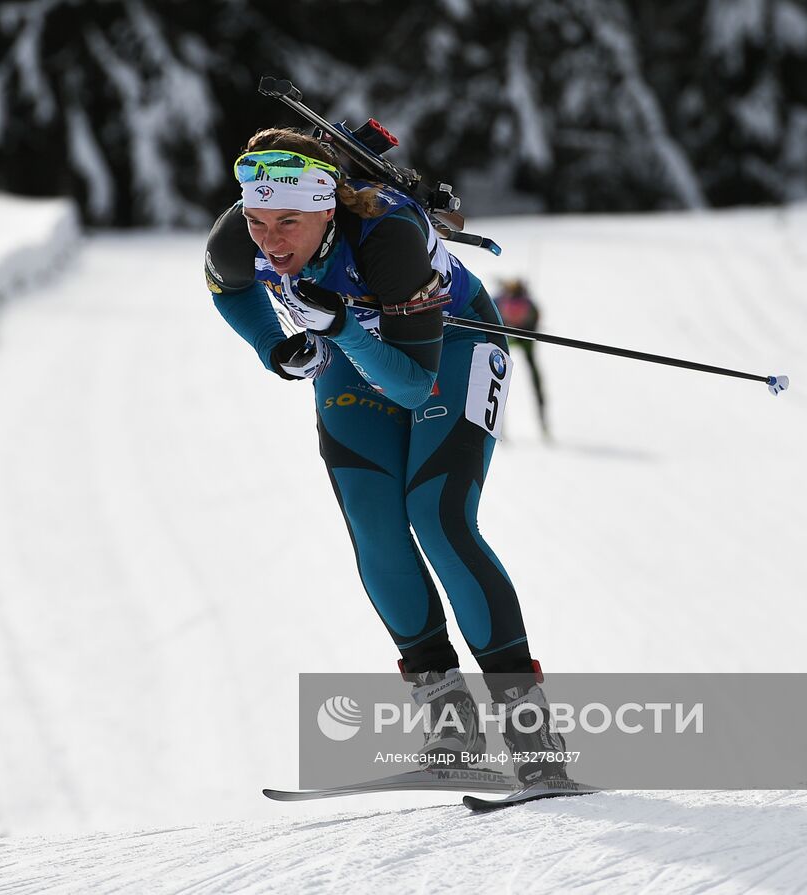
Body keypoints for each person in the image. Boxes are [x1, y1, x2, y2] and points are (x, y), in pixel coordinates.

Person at [204, 127, 566, 786]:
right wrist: (274, 347)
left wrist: (339, 326)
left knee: (437, 515)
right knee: (375, 526)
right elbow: (226, 286)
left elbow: (410, 382)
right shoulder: (239, 236)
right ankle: (450, 728)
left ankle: (533, 740)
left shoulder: (388, 240)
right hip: (352, 354)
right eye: (258, 220)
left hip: (451, 348)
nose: (270, 239)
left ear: (328, 208)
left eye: (289, 221)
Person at [493, 279, 551, 441]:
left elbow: (536, 319)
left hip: (525, 334)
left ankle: (543, 420)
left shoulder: (532, 309)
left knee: (534, 375)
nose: (515, 315)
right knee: (497, 376)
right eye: (512, 311)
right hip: (504, 332)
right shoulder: (496, 303)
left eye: (519, 311)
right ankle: (498, 423)